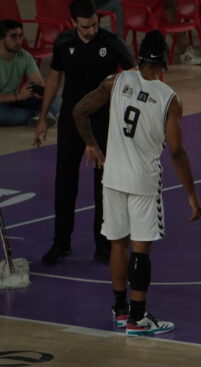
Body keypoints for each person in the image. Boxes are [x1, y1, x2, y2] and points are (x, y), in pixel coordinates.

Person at [73, 30, 201, 335]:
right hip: (143, 179)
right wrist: (191, 194)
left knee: (118, 244)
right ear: (165, 59)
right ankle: (139, 318)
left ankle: (120, 311)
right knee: (141, 250)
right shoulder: (169, 98)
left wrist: (91, 144)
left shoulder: (116, 82)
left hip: (112, 176)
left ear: (139, 55)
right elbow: (177, 151)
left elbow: (80, 111)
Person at [33, 0, 136, 265]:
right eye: (85, 27)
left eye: (94, 24)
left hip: (102, 118)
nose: (91, 30)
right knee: (64, 181)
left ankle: (103, 245)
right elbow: (54, 78)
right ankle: (61, 243)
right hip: (71, 117)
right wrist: (43, 118)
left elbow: (134, 74)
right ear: (73, 23)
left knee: (104, 183)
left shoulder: (111, 42)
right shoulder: (63, 42)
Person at [0, 20, 60, 127]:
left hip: (17, 99)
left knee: (55, 98)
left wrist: (39, 91)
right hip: (4, 101)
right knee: (3, 116)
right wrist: (18, 96)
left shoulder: (25, 56)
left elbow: (39, 82)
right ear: (1, 38)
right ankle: (40, 115)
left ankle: (39, 115)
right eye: (13, 36)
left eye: (21, 36)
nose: (19, 40)